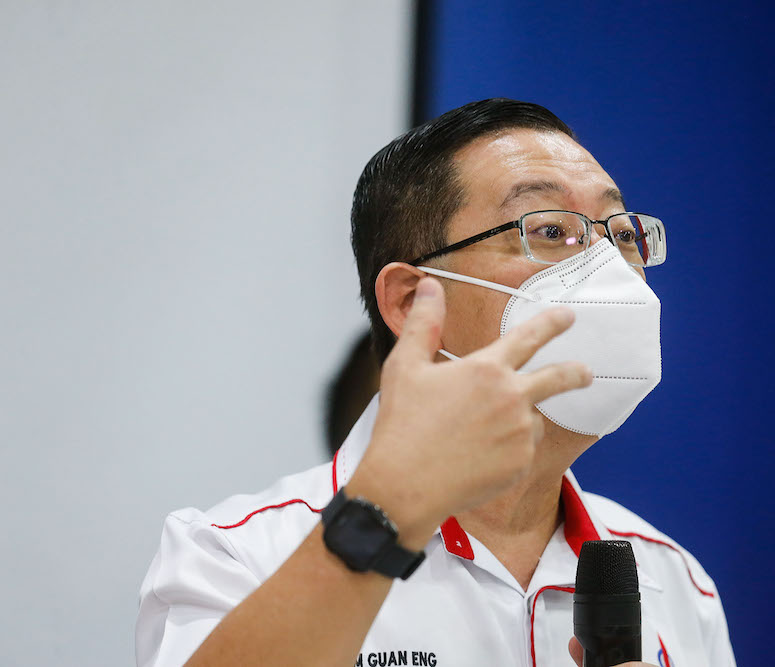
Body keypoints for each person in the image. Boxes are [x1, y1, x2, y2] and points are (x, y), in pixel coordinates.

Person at [136, 98, 737, 667]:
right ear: (410, 300)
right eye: (552, 230)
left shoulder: (676, 581)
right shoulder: (239, 555)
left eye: (620, 233)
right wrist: (387, 512)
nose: (608, 268)